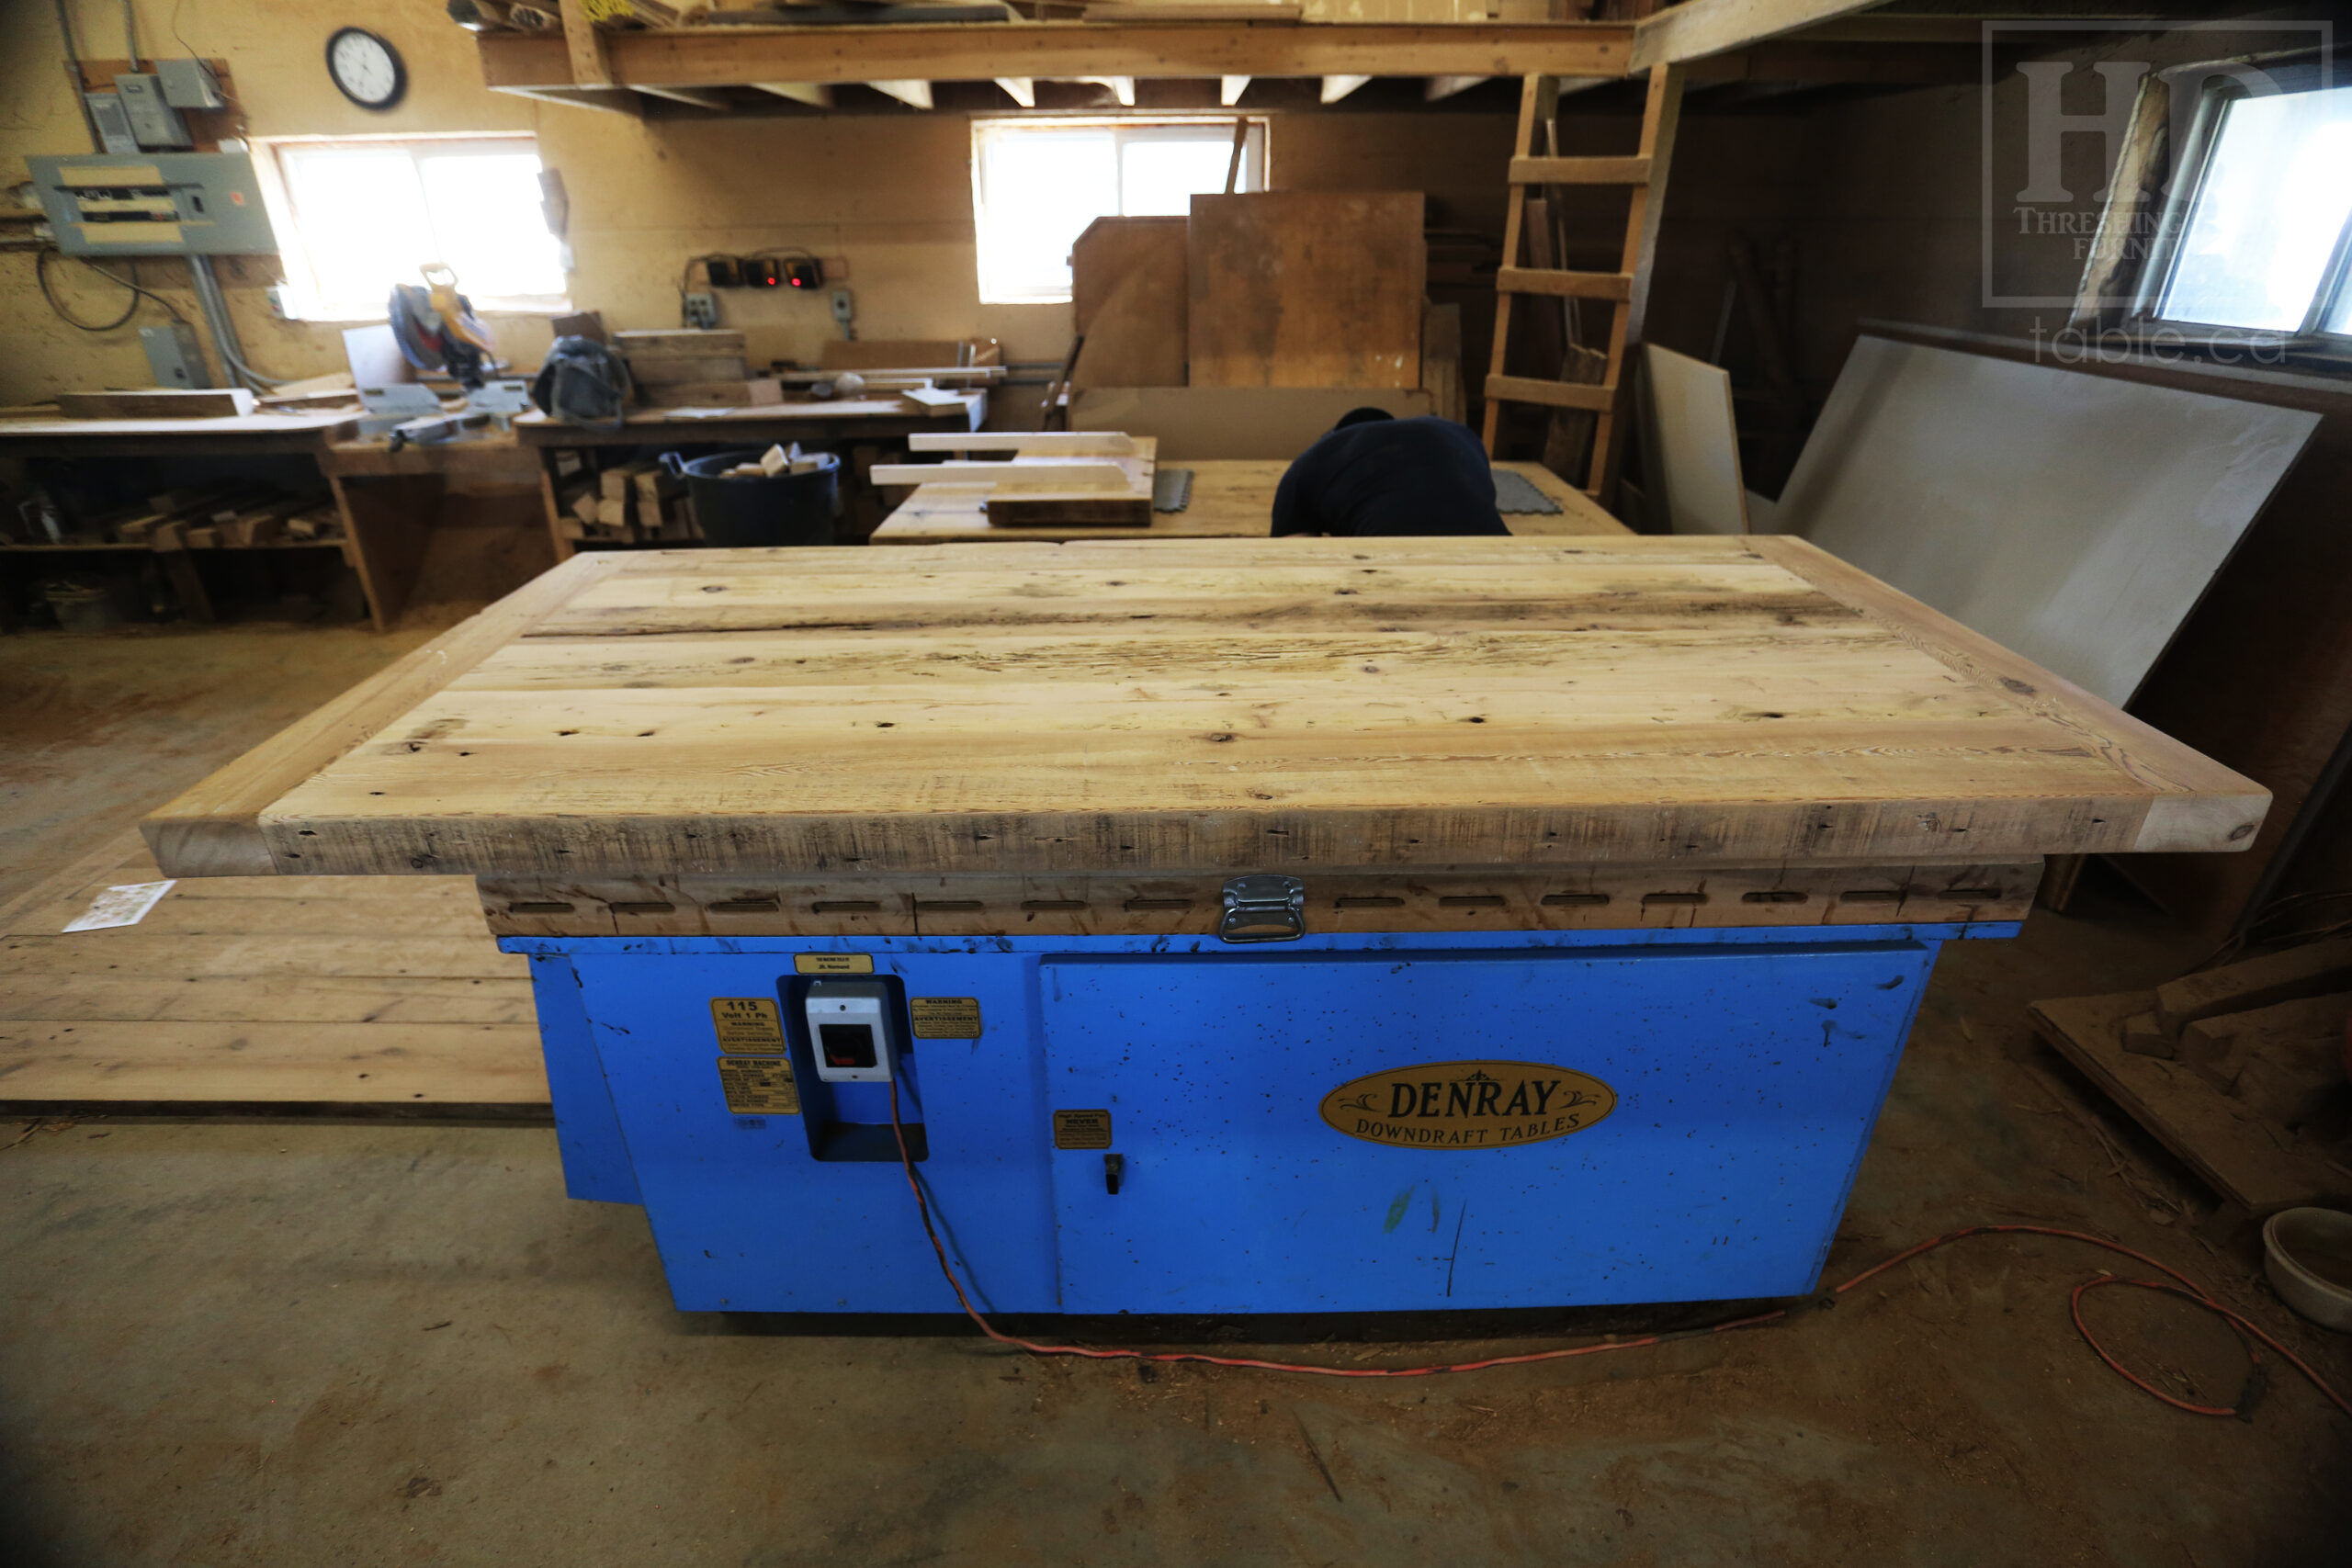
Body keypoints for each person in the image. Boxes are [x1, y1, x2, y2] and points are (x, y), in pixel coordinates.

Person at [1269, 409, 1510, 537]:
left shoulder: (1309, 462)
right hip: (1502, 556)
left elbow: (1293, 561)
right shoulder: (1461, 435)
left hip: (1393, 563)